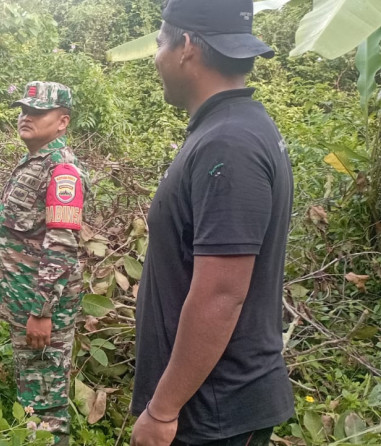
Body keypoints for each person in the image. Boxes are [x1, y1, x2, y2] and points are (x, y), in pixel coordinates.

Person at [130, 1, 294, 445]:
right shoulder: (233, 129)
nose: (156, 57)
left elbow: (221, 294)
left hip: (212, 412)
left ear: (185, 48)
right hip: (207, 406)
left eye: (160, 42)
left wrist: (163, 411)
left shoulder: (228, 142)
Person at [0, 81, 84, 446]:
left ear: (62, 121)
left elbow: (61, 246)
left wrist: (42, 311)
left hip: (42, 311)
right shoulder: (34, 162)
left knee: (45, 411)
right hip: (23, 305)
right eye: (23, 110)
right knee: (32, 402)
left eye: (36, 112)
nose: (25, 117)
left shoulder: (62, 171)